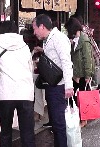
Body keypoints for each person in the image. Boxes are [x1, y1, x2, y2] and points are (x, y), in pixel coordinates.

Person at [32, 14, 76, 147]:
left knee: (59, 123)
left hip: (59, 87)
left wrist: (69, 86)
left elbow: (66, 62)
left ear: (42, 26)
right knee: (56, 123)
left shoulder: (59, 38)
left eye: (35, 29)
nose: (34, 32)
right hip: (52, 85)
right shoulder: (49, 39)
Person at [0, 22, 35, 147]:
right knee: (28, 133)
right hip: (24, 92)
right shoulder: (24, 46)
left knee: (5, 133)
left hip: (5, 93)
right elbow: (30, 67)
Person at [64, 17, 94, 128]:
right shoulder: (76, 39)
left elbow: (87, 59)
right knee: (72, 96)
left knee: (82, 97)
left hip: (82, 74)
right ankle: (77, 116)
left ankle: (84, 119)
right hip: (75, 73)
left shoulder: (84, 40)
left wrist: (87, 75)